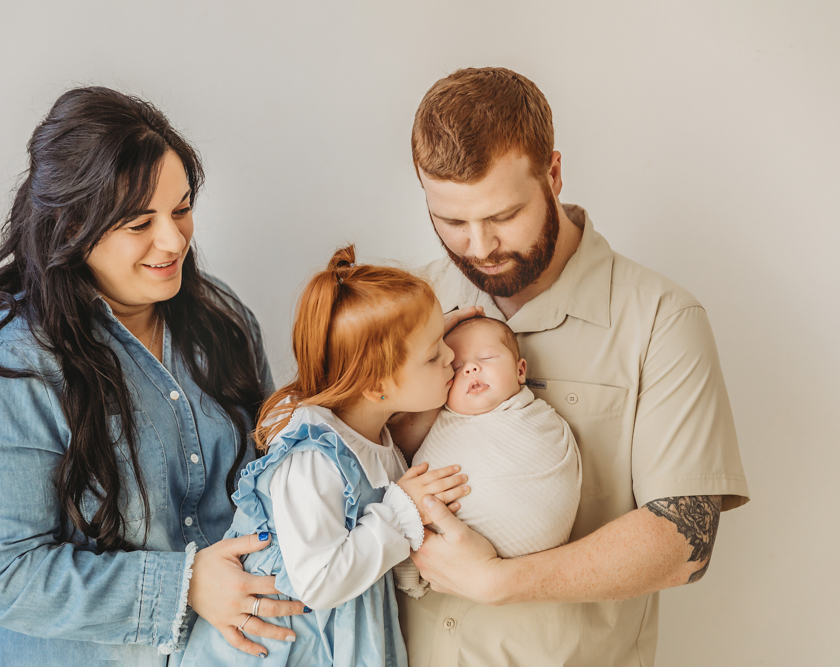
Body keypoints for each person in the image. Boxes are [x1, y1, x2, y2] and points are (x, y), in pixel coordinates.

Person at [0, 87, 308, 666]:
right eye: (139, 222)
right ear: (72, 225)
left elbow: (265, 482)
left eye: (181, 209)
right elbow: (0, 575)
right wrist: (183, 586)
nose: (174, 240)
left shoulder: (224, 322)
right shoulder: (8, 365)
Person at [395, 68, 750, 666]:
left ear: (553, 175)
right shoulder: (410, 305)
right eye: (453, 222)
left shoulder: (662, 319)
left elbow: (685, 539)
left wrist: (500, 581)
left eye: (503, 215)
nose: (478, 248)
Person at [181, 246, 471, 666]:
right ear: (377, 387)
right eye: (434, 353)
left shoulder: (374, 430)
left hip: (344, 619)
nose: (452, 356)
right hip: (287, 642)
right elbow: (317, 582)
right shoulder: (313, 460)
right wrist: (400, 512)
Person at [393, 316, 581, 599]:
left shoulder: (542, 423)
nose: (471, 368)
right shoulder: (438, 424)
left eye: (487, 357)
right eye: (457, 368)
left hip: (537, 573)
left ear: (520, 371)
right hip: (436, 563)